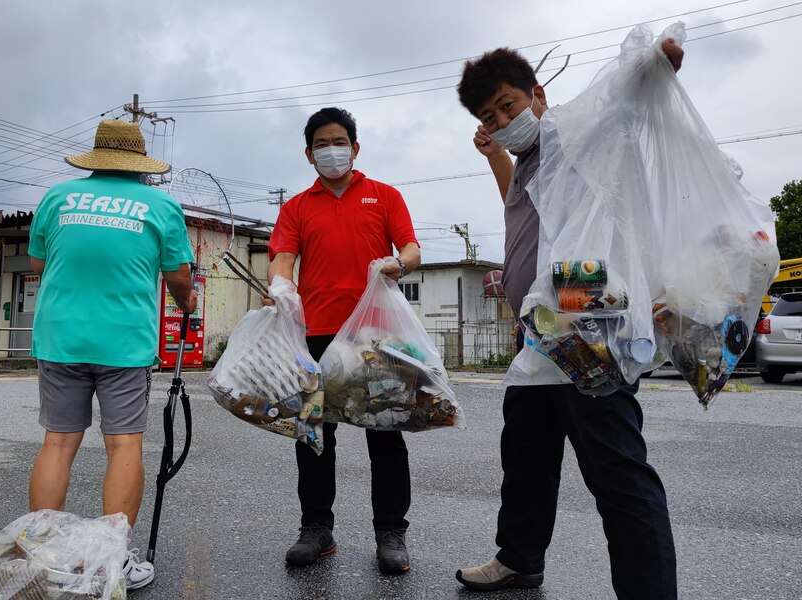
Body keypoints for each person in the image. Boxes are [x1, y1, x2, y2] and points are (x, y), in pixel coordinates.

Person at [453, 41, 684, 598]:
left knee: (617, 472)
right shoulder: (528, 163)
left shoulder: (579, 135)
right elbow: (523, 209)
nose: (502, 121)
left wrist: (652, 66)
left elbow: (617, 103)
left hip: (588, 329)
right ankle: (519, 560)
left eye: (508, 106)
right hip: (539, 336)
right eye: (489, 116)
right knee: (526, 459)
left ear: (538, 95)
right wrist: (493, 155)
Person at [27, 119, 197, 591]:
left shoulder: (59, 197)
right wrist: (187, 303)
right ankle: (113, 560)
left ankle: (43, 555)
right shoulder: (161, 204)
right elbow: (179, 277)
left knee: (58, 442)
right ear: (140, 166)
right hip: (123, 342)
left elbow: (41, 263)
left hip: (61, 337)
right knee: (123, 444)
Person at [266, 106, 422, 573]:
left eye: (339, 142)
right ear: (309, 154)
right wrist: (279, 285)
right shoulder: (296, 206)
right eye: (321, 144)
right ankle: (316, 527)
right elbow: (282, 257)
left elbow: (411, 248)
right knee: (313, 435)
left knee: (386, 435)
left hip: (377, 337)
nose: (331, 151)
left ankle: (390, 532)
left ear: (354, 148)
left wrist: (402, 263)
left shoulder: (385, 196)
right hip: (315, 338)